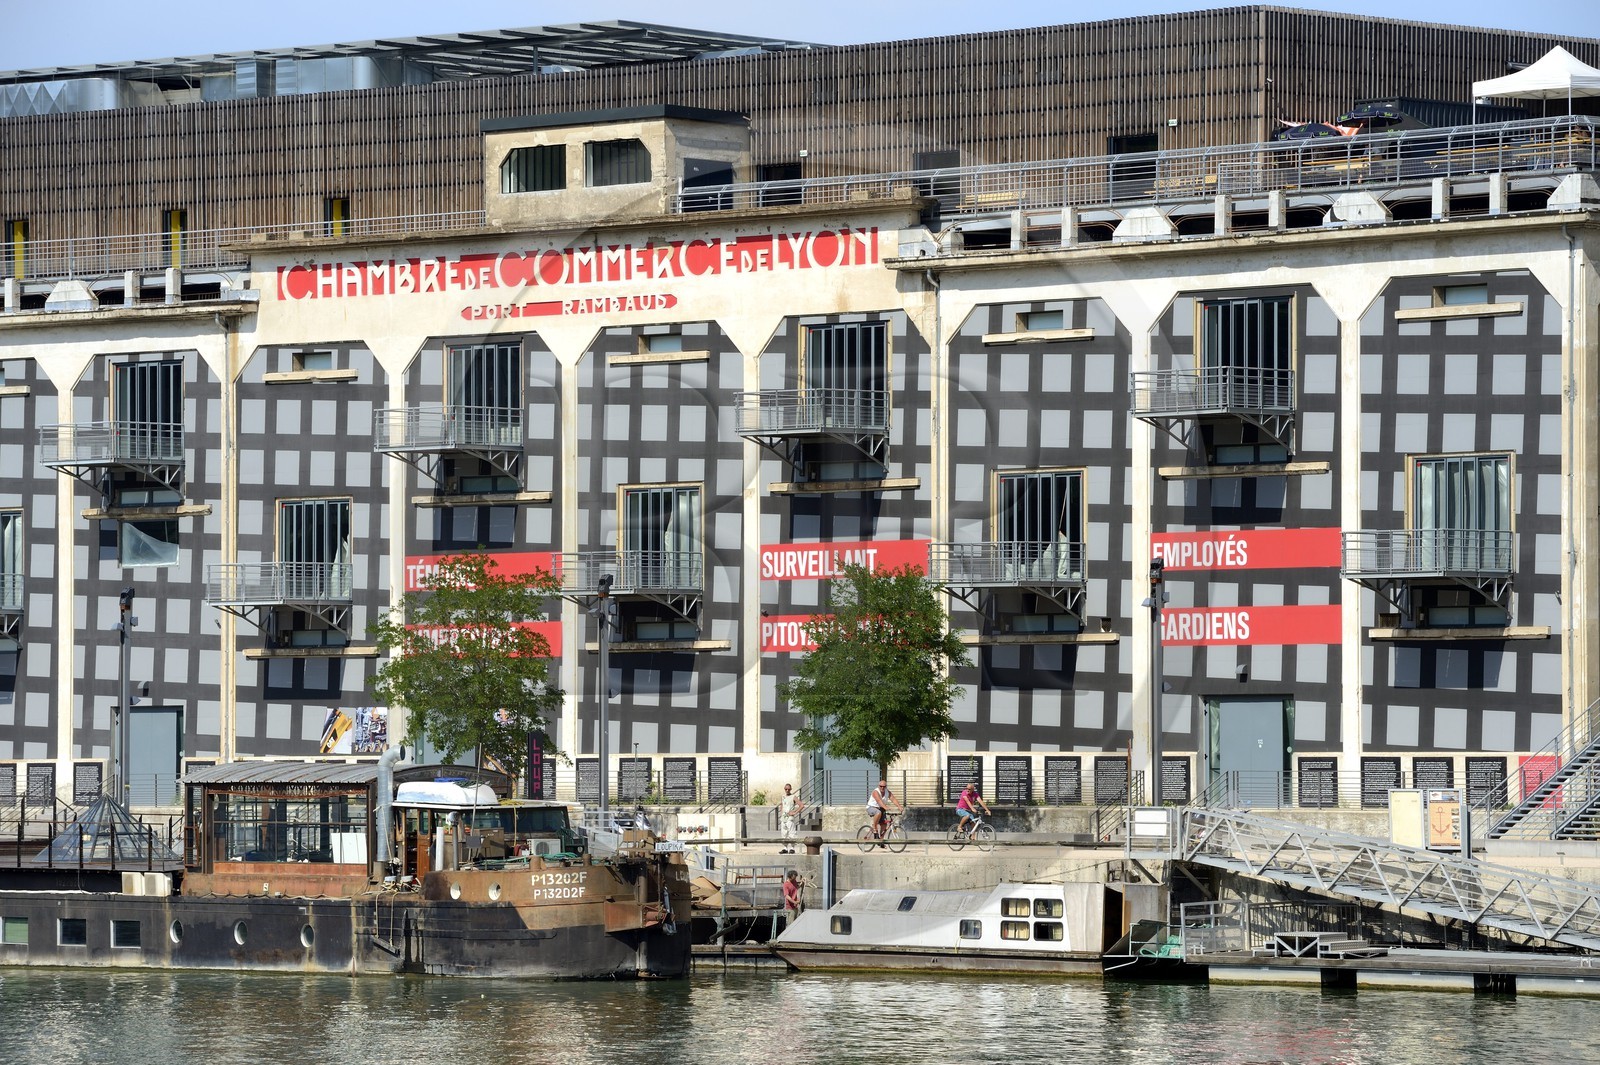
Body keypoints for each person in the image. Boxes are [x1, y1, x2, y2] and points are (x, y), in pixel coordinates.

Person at [779, 783, 804, 854]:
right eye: (786, 789)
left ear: (790, 789)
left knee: (791, 832)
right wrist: (781, 812)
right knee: (784, 833)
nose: (787, 790)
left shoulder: (793, 797)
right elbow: (782, 805)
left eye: (788, 789)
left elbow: (801, 805)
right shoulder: (783, 796)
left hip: (790, 817)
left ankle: (792, 848)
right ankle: (785, 848)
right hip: (784, 817)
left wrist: (795, 812)